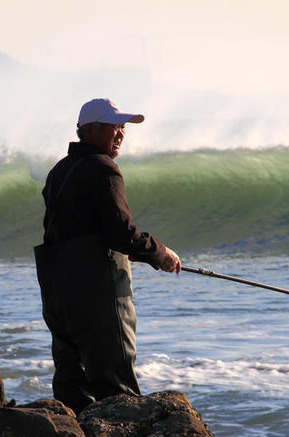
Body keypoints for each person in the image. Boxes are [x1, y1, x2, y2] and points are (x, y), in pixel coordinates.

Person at [34, 98, 181, 414]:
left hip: (58, 294)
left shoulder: (58, 172)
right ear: (90, 130)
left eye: (123, 127)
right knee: (117, 390)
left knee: (71, 389)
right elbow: (121, 234)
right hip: (97, 294)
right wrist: (161, 253)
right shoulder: (104, 169)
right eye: (115, 126)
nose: (121, 134)